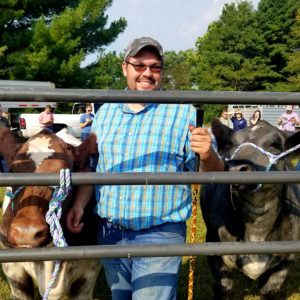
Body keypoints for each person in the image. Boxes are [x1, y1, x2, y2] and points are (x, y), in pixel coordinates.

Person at [66, 37, 224, 300]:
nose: (147, 73)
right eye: (139, 65)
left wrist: (207, 154)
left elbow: (211, 172)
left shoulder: (183, 112)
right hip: (111, 231)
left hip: (160, 232)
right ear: (124, 67)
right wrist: (80, 205)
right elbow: (95, 168)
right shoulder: (106, 113)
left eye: (155, 67)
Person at [0, 104, 10, 173]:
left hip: (3, 150)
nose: (0, 109)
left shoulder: (5, 120)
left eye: (0, 108)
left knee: (6, 171)